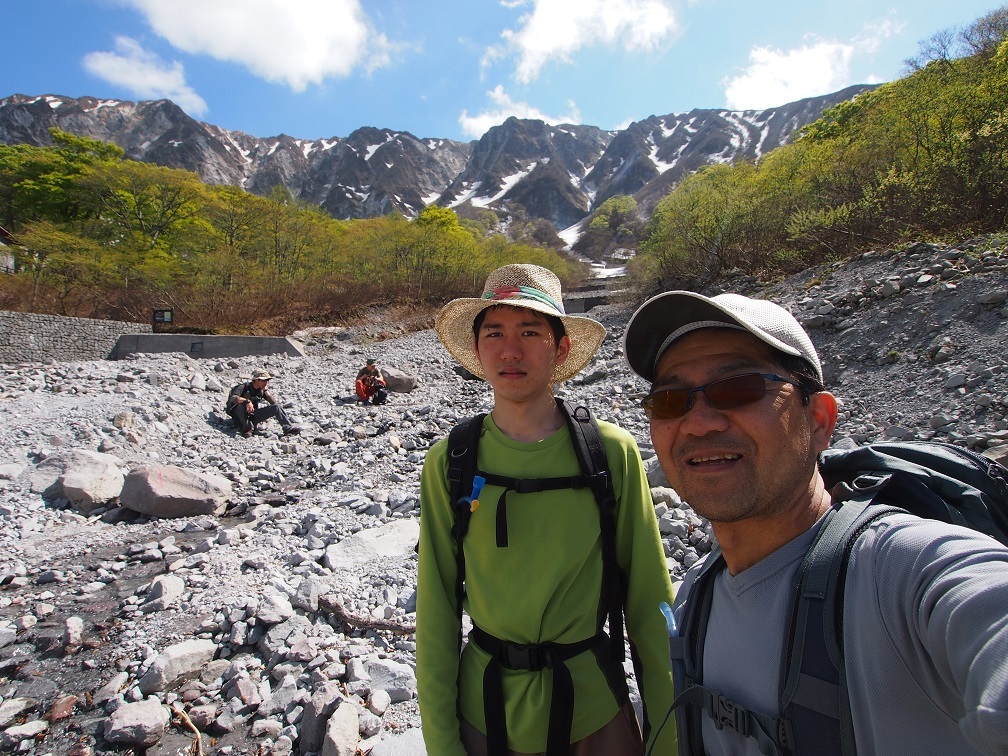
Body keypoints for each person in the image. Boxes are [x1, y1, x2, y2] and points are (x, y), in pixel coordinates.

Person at [622, 290, 1008, 755]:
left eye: (738, 389)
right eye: (670, 400)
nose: (699, 422)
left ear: (820, 421)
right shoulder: (696, 595)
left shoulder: (901, 573)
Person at [417, 264, 676, 756]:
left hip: (594, 711)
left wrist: (668, 739)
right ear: (477, 348)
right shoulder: (451, 460)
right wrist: (442, 745)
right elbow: (436, 612)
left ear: (560, 348)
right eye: (494, 332)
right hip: (485, 711)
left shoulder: (609, 452)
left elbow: (649, 603)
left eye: (530, 332)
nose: (510, 350)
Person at [226, 368, 301, 437]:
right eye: (263, 380)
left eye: (267, 380)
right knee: (241, 405)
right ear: (256, 380)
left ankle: (288, 429)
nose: (265, 383)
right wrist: (246, 401)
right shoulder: (244, 387)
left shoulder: (261, 391)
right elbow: (233, 398)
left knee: (276, 407)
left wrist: (266, 391)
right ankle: (246, 429)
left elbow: (274, 403)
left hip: (252, 415)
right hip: (239, 416)